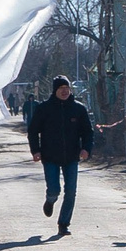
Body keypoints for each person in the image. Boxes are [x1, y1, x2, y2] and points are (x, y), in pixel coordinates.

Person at [27, 75, 94, 235]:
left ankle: (63, 224)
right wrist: (35, 150)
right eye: (61, 89)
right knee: (54, 189)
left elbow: (88, 132)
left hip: (71, 156)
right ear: (55, 90)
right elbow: (33, 131)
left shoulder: (78, 109)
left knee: (71, 191)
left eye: (67, 88)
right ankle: (50, 200)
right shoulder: (44, 109)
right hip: (50, 156)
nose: (64, 91)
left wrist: (86, 149)